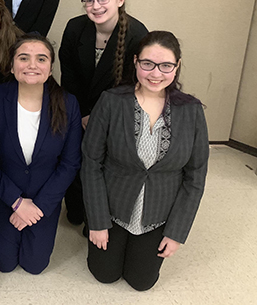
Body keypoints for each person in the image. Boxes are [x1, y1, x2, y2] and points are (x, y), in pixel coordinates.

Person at [82, 30, 209, 291]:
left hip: (157, 214)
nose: (155, 73)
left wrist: (176, 233)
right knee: (104, 274)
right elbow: (91, 163)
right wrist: (97, 221)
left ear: (177, 66)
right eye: (147, 64)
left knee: (142, 282)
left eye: (165, 66)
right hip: (113, 210)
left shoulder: (192, 111)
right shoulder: (111, 101)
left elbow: (195, 176)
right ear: (136, 62)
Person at [0, 34, 82, 274]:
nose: (32, 65)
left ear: (50, 68)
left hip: (43, 198)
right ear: (11, 65)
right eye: (24, 58)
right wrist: (16, 202)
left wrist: (37, 207)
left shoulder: (68, 104)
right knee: (4, 265)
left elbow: (70, 163)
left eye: (41, 59)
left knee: (35, 265)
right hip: (3, 196)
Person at [59, 0, 148, 226]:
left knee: (104, 165)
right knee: (75, 158)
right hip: (80, 110)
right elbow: (69, 76)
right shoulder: (75, 28)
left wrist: (98, 118)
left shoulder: (137, 34)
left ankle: (98, 216)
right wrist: (83, 114)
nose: (96, 6)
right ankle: (76, 209)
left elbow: (134, 86)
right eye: (89, 0)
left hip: (116, 115)